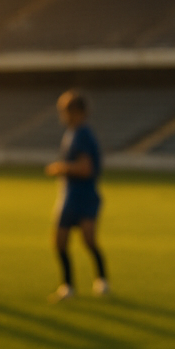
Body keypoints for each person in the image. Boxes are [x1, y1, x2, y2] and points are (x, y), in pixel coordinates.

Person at [45, 89, 108, 300]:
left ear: (77, 112)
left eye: (65, 111)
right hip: (70, 195)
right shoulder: (72, 133)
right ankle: (68, 285)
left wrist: (61, 168)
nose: (62, 115)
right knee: (60, 241)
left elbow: (86, 168)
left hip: (83, 195)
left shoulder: (82, 134)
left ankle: (101, 279)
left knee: (88, 240)